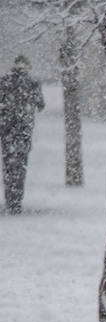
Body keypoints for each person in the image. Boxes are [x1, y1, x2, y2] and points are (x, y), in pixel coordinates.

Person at [0, 55, 45, 214]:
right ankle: (17, 200)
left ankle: (9, 198)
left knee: (7, 164)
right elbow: (41, 105)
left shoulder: (4, 81)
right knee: (21, 164)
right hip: (24, 130)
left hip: (6, 130)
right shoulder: (32, 83)